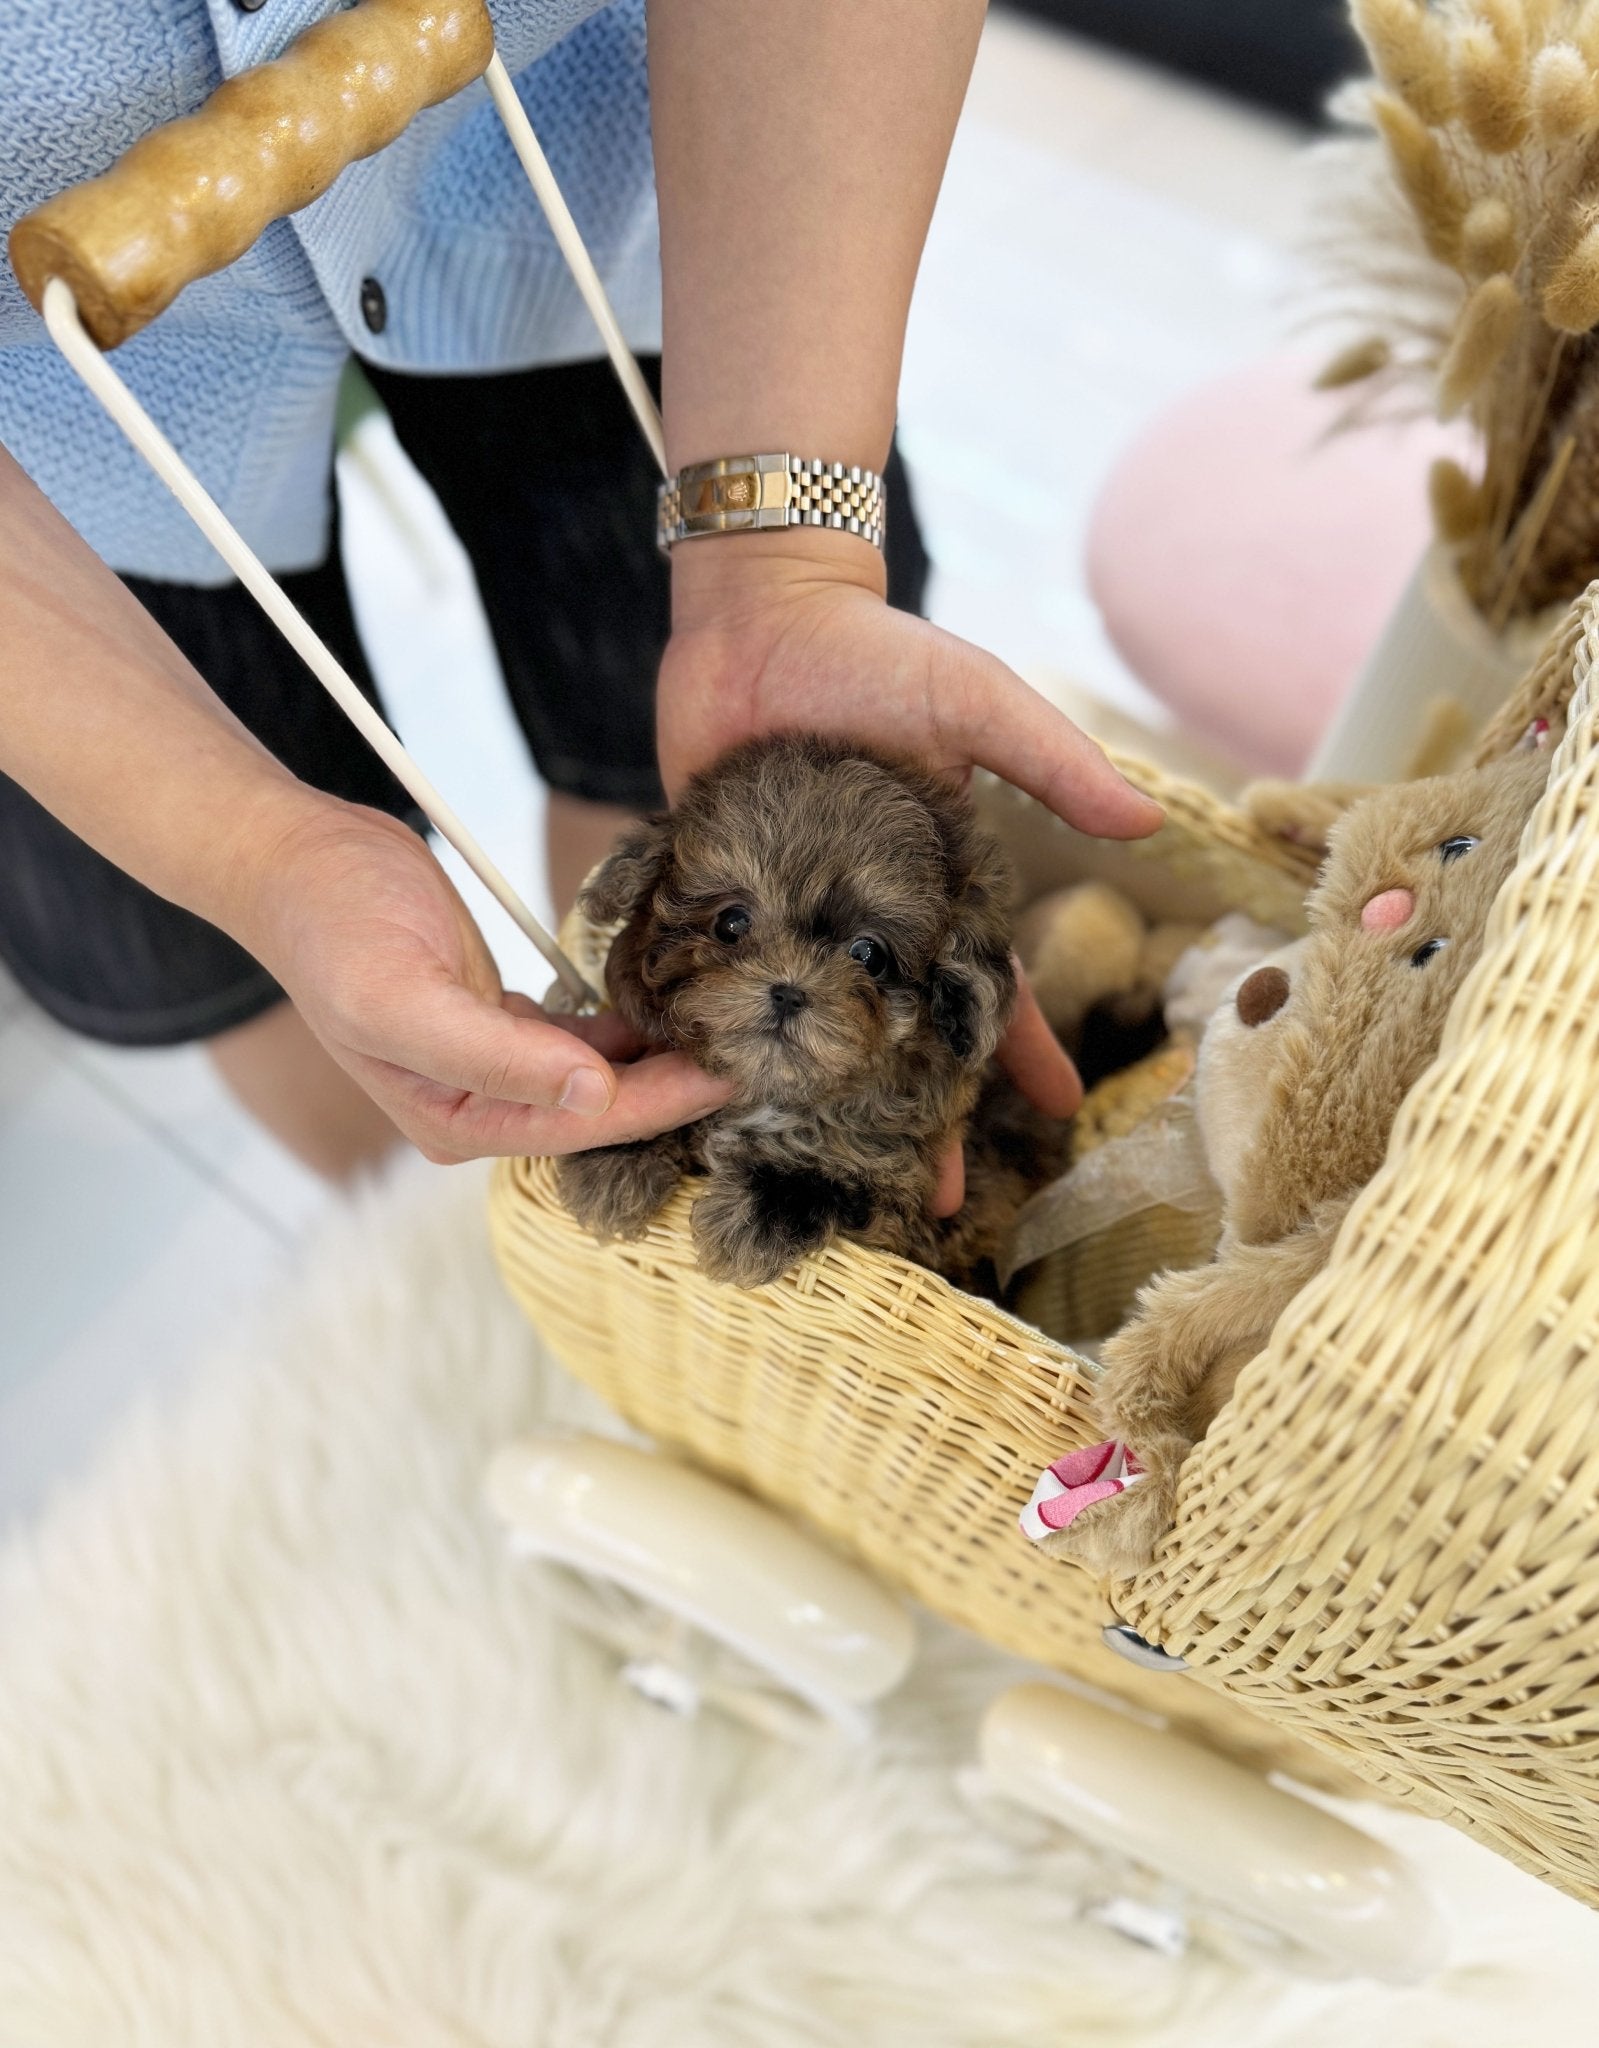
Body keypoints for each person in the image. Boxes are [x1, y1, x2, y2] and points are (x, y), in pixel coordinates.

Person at [0, 0, 1161, 1188]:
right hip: (45, 462)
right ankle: (422, 1222)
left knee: (641, 750)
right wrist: (249, 855)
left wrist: (784, 564)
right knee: (232, 955)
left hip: (619, 178)